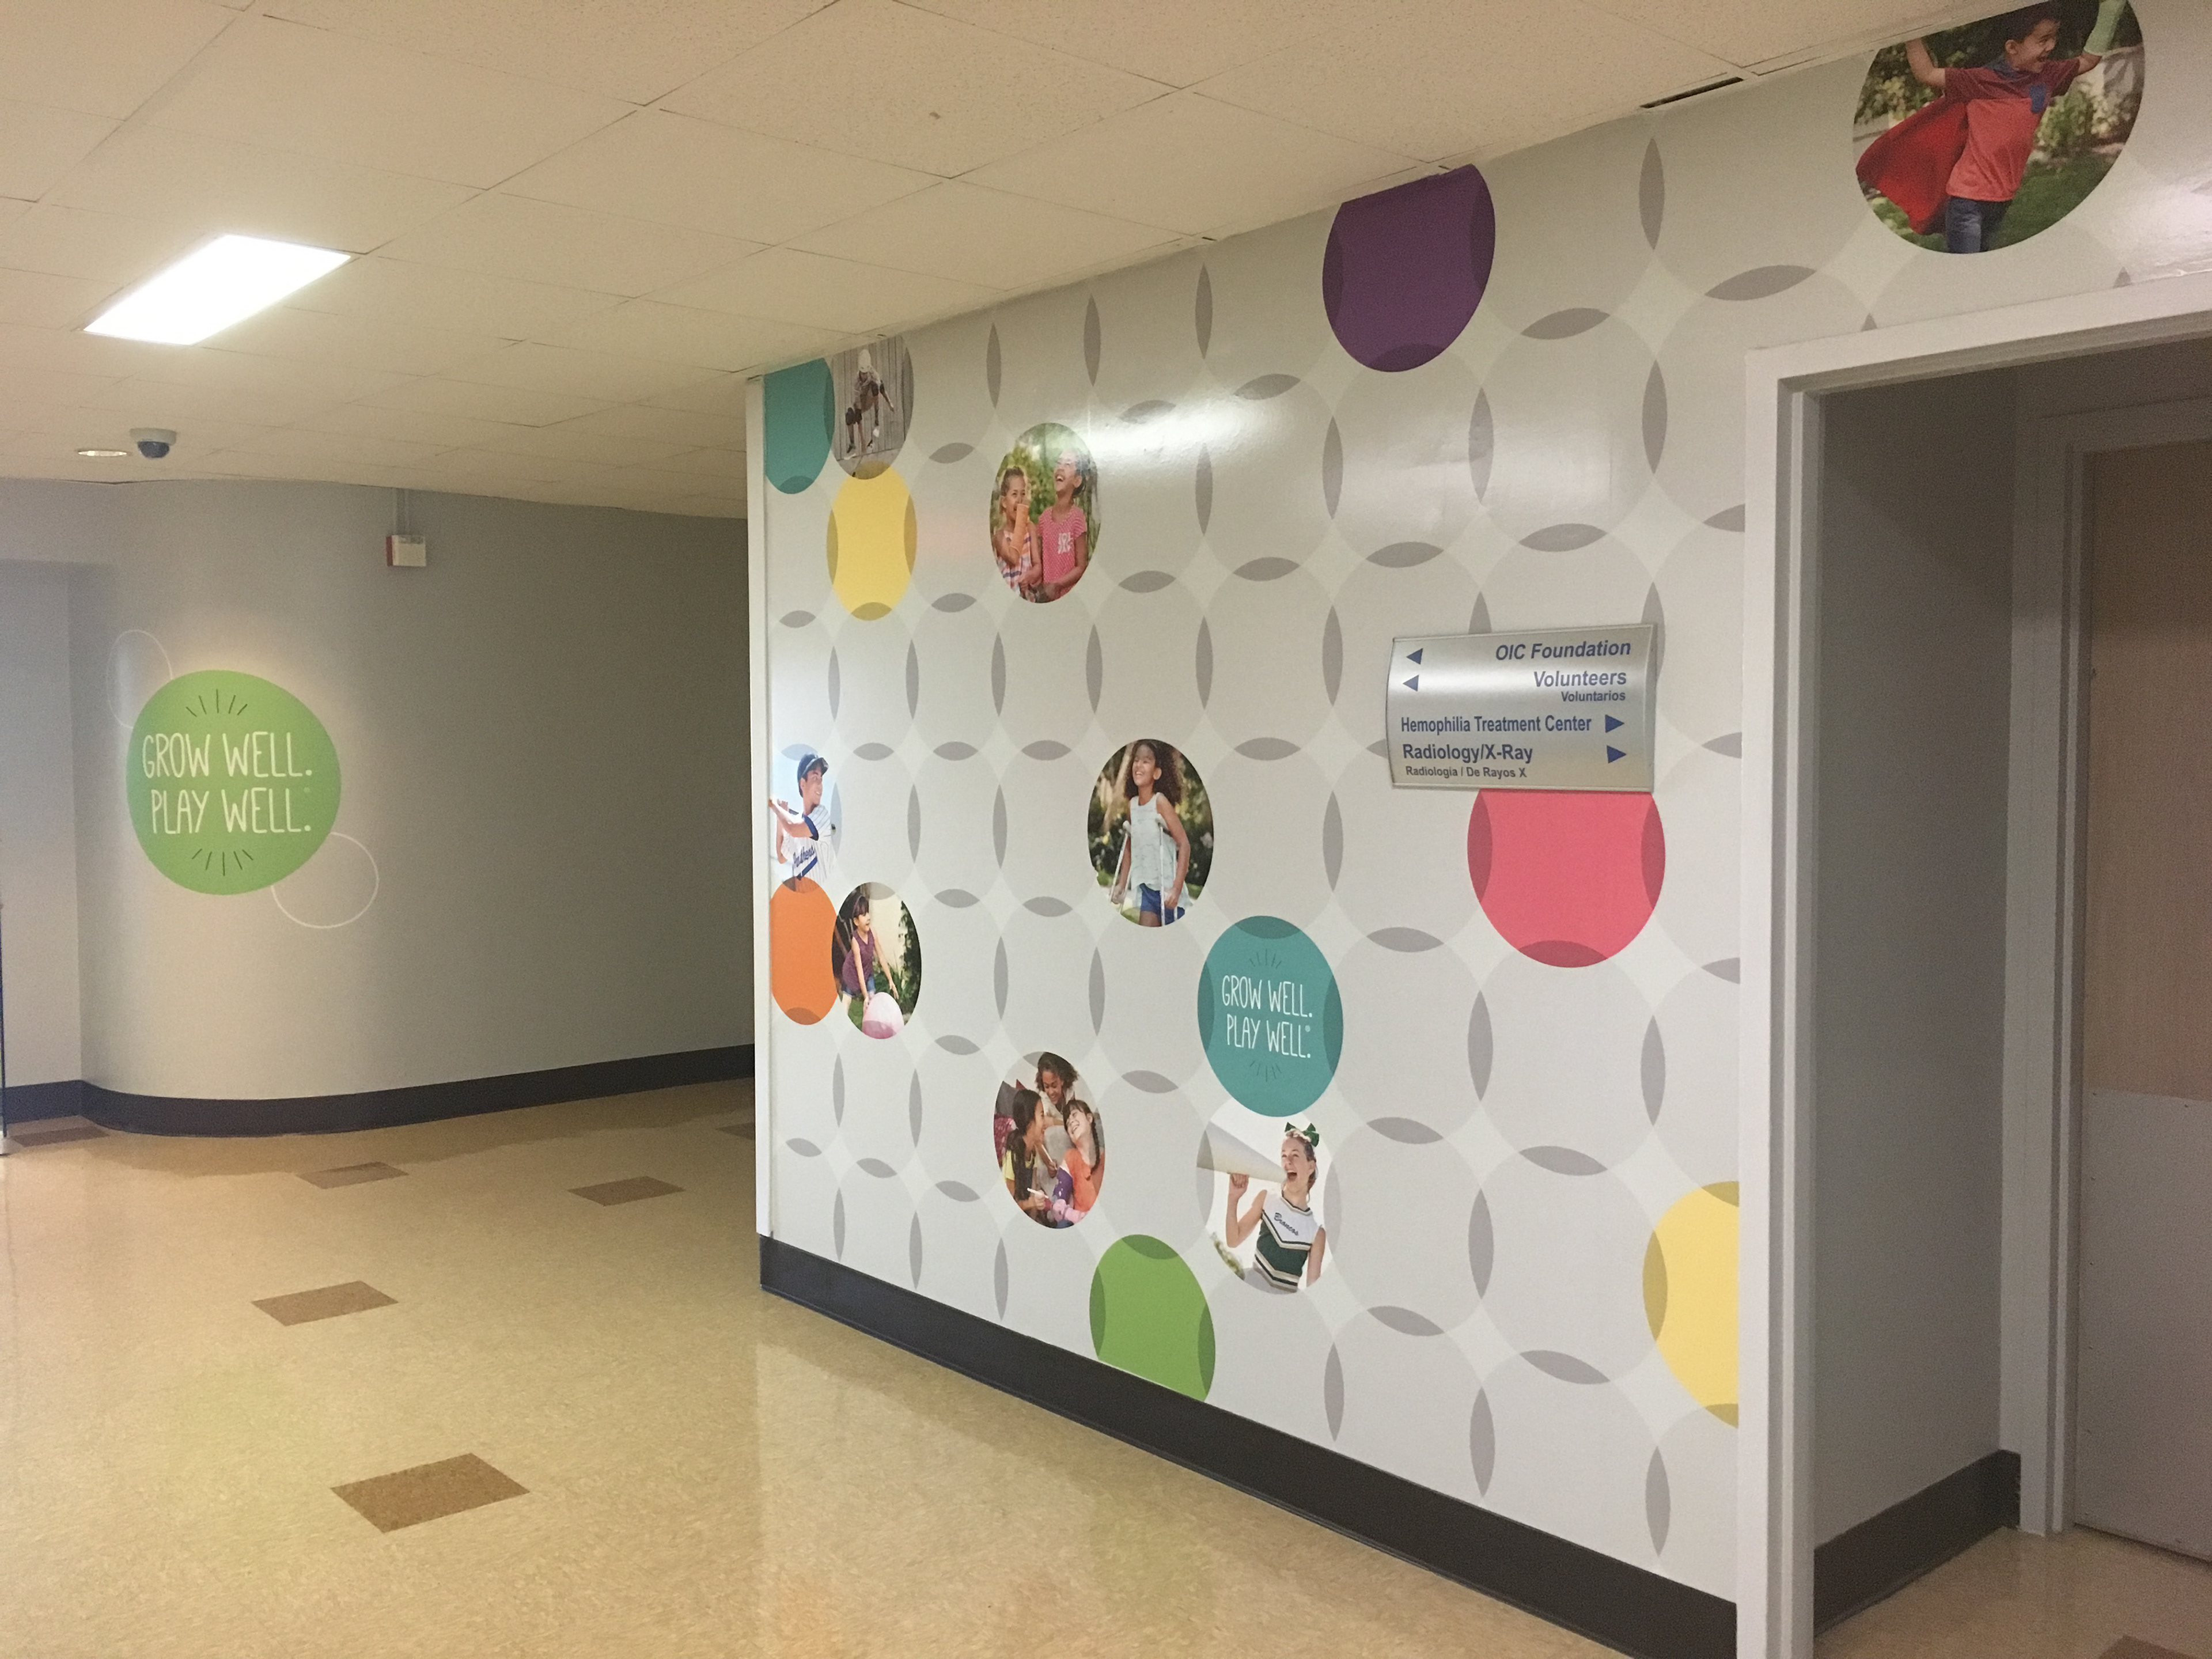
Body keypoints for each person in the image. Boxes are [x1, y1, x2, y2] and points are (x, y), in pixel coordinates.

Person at [1858, 1, 2128, 255]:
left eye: (2053, 38)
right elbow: (1927, 74)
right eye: (2043, 40)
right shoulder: (1981, 81)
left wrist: (2112, 8)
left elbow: (2088, 60)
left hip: (2002, 200)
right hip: (1967, 200)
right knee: (1969, 270)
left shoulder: (2049, 75)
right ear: (2013, 47)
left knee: (1983, 261)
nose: (2051, 46)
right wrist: (1910, 31)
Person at [1218, 1124, 1327, 1293]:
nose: (1288, 1161)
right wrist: (1233, 1198)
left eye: (1295, 1155)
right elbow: (1233, 1240)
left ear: (1311, 1167)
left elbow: (1314, 1289)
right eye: (1284, 1156)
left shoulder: (1316, 1233)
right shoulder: (1267, 1199)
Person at [1107, 741, 1191, 927]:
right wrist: (1122, 884)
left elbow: (1184, 844)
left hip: (1168, 890)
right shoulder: (1133, 806)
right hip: (1147, 891)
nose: (1139, 765)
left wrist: (1176, 890)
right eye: (1136, 760)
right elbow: (1130, 845)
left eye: (1146, 761)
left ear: (1157, 773)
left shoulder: (1160, 802)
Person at [1032, 445, 1090, 601]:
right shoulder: (1044, 519)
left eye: (1068, 464)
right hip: (1047, 599)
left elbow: (1081, 567)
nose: (1060, 468)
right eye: (1059, 463)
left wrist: (1057, 585)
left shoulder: (1077, 518)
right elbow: (1039, 560)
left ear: (1077, 481)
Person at [768, 752, 828, 884]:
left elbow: (793, 828)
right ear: (803, 784)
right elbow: (781, 856)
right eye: (815, 778)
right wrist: (780, 818)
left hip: (822, 894)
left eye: (821, 779)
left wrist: (774, 806)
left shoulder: (821, 814)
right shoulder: (795, 821)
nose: (820, 784)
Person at [999, 1088, 1055, 1222]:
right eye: (1042, 1116)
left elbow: (1033, 1190)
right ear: (1030, 1123)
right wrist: (1031, 1203)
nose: (1045, 1122)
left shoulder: (1033, 1152)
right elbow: (1007, 1205)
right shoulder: (1012, 1156)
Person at [1054, 1097, 1104, 1222]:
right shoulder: (1070, 1158)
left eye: (1075, 1114)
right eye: (1067, 1123)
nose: (1071, 1121)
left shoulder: (1107, 1157)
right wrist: (1077, 1216)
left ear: (1089, 1118)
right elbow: (1057, 1203)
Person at [843, 347, 898, 461]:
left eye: (866, 374)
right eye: (862, 374)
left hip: (870, 399)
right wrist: (862, 441)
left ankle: (877, 423)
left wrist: (889, 403)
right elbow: (859, 413)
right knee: (849, 415)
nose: (864, 376)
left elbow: (881, 388)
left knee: (875, 385)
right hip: (861, 403)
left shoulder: (873, 374)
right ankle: (852, 446)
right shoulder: (856, 382)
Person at [992, 463, 1037, 596]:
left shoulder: (1030, 529)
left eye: (1023, 494)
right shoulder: (1000, 536)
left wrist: (1030, 576)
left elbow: (1038, 565)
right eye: (1014, 494)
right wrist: (1021, 520)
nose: (1020, 500)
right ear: (1004, 502)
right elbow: (1013, 558)